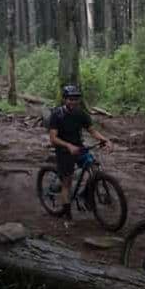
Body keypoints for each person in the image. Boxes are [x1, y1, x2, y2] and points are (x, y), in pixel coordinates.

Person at [48, 85, 113, 223]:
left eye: (76, 99)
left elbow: (92, 130)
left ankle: (85, 196)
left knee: (94, 168)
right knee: (67, 183)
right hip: (64, 150)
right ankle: (67, 214)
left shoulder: (81, 114)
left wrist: (104, 139)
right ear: (65, 99)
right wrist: (68, 145)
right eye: (70, 99)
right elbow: (53, 138)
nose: (73, 102)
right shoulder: (57, 114)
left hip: (79, 148)